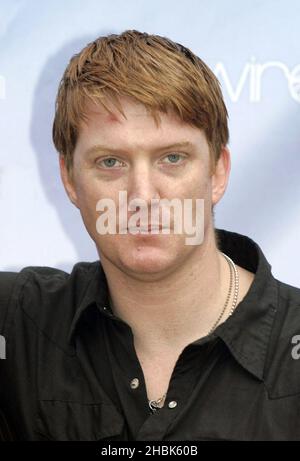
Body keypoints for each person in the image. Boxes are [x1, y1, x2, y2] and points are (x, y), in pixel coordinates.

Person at [0, 29, 300, 441]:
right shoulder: (18, 326)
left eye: (172, 158)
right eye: (110, 162)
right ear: (69, 179)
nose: (142, 196)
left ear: (217, 172)